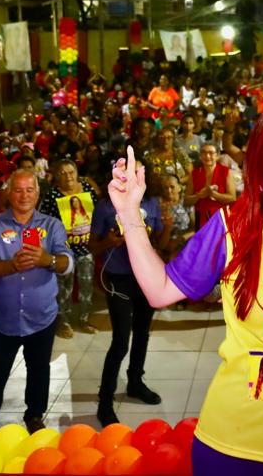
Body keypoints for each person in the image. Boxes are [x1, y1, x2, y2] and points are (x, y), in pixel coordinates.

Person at [108, 100, 263, 474]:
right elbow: (160, 290)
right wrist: (129, 213)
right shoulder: (233, 227)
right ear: (261, 160)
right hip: (237, 448)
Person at [0, 170, 73, 434]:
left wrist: (46, 260)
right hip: (3, 319)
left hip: (42, 317)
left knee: (39, 370)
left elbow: (67, 263)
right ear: (8, 193)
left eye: (29, 190)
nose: (24, 195)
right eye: (18, 190)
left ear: (37, 194)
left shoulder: (52, 225)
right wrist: (12, 266)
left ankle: (35, 415)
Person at [88, 179, 169, 427]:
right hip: (118, 279)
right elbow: (92, 245)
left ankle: (135, 382)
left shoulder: (151, 202)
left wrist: (166, 228)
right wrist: (109, 242)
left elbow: (160, 244)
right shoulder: (105, 206)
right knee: (121, 341)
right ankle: (105, 402)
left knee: (142, 333)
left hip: (146, 275)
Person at [38, 159, 98, 338]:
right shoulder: (52, 195)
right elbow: (43, 223)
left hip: (85, 245)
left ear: (77, 173)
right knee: (64, 287)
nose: (68, 176)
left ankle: (84, 318)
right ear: (56, 176)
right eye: (62, 173)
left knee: (86, 283)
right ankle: (63, 321)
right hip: (62, 248)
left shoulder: (86, 189)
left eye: (71, 172)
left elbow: (97, 212)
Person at [185, 143, 236, 229]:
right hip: (200, 217)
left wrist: (213, 194)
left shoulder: (225, 172)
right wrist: (199, 196)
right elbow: (187, 200)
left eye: (211, 153)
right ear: (200, 156)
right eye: (204, 153)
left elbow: (232, 198)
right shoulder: (194, 173)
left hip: (221, 217)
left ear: (217, 156)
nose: (207, 156)